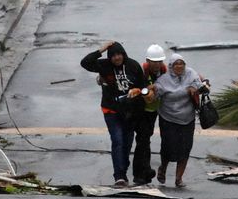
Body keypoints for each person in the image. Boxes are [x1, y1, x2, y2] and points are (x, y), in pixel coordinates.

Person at [81, 41, 148, 186]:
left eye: (119, 55)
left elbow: (143, 87)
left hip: (130, 111)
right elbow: (85, 63)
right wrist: (102, 49)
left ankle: (123, 169)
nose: (117, 58)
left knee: (127, 143)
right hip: (111, 110)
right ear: (110, 57)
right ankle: (119, 175)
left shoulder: (133, 66)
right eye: (113, 55)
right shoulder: (104, 65)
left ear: (123, 54)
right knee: (117, 140)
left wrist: (136, 91)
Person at [152, 52, 205, 188]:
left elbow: (203, 87)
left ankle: (178, 178)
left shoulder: (191, 74)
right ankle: (163, 168)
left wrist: (198, 88)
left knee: (185, 148)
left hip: (188, 118)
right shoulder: (163, 80)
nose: (179, 66)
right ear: (171, 66)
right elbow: (155, 94)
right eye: (176, 64)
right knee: (168, 148)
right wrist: (149, 92)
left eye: (182, 63)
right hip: (168, 118)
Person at [129, 45, 172, 185]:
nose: (157, 64)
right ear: (148, 60)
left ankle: (146, 170)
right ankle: (139, 174)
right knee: (142, 141)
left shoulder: (165, 71)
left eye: (160, 61)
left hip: (155, 111)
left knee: (146, 140)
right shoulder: (140, 72)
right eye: (154, 61)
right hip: (141, 111)